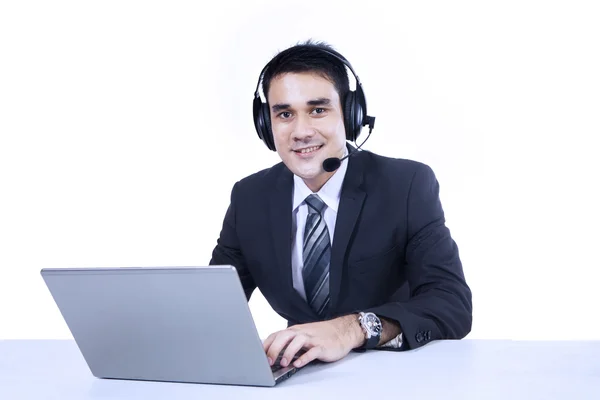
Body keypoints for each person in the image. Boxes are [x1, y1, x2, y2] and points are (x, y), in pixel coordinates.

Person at [209, 40, 472, 370]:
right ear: (266, 124)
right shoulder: (250, 196)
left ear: (351, 114)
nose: (301, 131)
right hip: (298, 379)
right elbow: (213, 308)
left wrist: (351, 329)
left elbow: (451, 305)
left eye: (318, 110)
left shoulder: (405, 185)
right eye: (285, 114)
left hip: (394, 374)